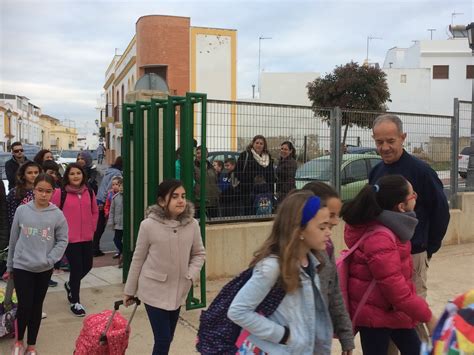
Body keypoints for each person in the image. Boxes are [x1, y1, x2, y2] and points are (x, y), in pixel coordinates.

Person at [369, 114, 450, 344]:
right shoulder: (375, 172)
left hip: (413, 256)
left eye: (390, 141)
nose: (385, 147)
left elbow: (440, 212)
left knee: (411, 317)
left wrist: (427, 249)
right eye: (379, 142)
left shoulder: (421, 172)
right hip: (384, 259)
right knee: (387, 320)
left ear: (403, 138)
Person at [340, 175, 438, 355]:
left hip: (395, 312)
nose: (416, 197)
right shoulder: (381, 239)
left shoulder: (392, 230)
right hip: (375, 318)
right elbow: (396, 290)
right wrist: (428, 317)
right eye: (412, 195)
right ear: (401, 207)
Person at [228, 190, 333, 354]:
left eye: (329, 226)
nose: (328, 232)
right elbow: (238, 311)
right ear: (299, 230)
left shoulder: (312, 263)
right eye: (322, 227)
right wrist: (283, 335)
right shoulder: (272, 267)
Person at [123, 179, 206, 355]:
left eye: (183, 196)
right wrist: (130, 290)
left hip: (178, 291)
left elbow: (199, 254)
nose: (181, 200)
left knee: (168, 338)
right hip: (153, 291)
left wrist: (190, 275)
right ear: (162, 201)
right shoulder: (148, 225)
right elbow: (138, 259)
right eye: (175, 196)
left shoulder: (192, 225)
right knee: (162, 340)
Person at [6, 174, 68, 355]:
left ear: (53, 192)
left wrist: (50, 259)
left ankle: (31, 345)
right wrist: (10, 266)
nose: (43, 194)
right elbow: (14, 239)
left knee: (36, 306)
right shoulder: (22, 211)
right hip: (22, 266)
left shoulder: (57, 215)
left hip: (44, 268)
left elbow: (63, 240)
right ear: (33, 190)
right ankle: (18, 341)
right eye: (40, 190)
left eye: (48, 191)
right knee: (24, 305)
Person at [302, 182, 354, 354]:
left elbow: (334, 291)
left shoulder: (326, 247)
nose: (335, 222)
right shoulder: (281, 261)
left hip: (318, 341)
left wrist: (346, 335)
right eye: (330, 216)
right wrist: (285, 335)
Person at [51, 163, 99, 317]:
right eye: (72, 173)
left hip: (86, 237)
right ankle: (75, 301)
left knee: (88, 265)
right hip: (70, 239)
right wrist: (60, 233)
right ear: (67, 176)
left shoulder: (89, 192)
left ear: (83, 175)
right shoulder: (60, 193)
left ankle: (70, 284)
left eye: (78, 173)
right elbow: (53, 213)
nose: (76, 176)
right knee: (77, 267)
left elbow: (94, 211)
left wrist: (92, 229)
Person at [234, 135, 275, 215]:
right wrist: (246, 182)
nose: (259, 145)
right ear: (253, 143)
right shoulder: (245, 155)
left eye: (261, 143)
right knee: (249, 215)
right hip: (248, 192)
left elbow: (271, 176)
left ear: (264, 146)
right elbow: (237, 172)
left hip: (264, 193)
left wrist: (271, 192)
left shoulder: (268, 157)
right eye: (257, 143)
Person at [94, 156, 123, 257]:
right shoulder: (117, 174)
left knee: (99, 225)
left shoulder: (109, 171)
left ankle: (95, 247)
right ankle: (95, 248)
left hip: (99, 198)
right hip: (104, 200)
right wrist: (104, 201)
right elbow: (109, 188)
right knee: (100, 226)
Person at [6, 162, 41, 228]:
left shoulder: (43, 190)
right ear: (23, 175)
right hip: (21, 229)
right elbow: (11, 215)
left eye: (36, 172)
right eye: (29, 173)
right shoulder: (14, 192)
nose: (33, 175)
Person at [193, 146, 220, 218]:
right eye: (198, 153)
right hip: (200, 202)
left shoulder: (211, 167)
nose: (200, 155)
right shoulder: (193, 167)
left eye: (202, 153)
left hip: (213, 201)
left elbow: (215, 182)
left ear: (207, 154)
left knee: (214, 223)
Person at [105, 176, 123, 263]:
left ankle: (122, 253)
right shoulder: (114, 197)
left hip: (125, 223)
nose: (116, 187)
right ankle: (122, 251)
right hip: (118, 223)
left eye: (118, 185)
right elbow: (111, 210)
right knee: (116, 239)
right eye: (114, 185)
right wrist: (111, 222)